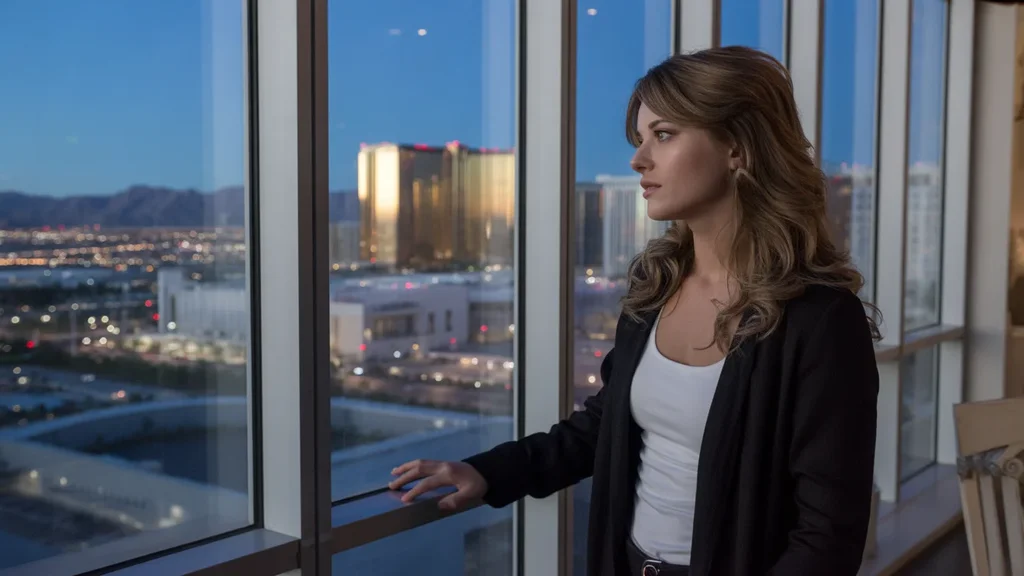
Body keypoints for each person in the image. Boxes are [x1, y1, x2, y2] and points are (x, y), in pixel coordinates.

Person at [389, 46, 881, 576]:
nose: (637, 159)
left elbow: (827, 534)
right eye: (640, 139)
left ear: (737, 147)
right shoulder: (657, 286)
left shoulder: (820, 319)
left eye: (663, 135)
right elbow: (604, 425)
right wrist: (488, 473)